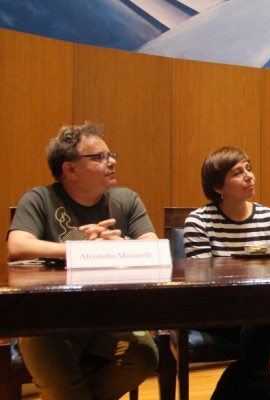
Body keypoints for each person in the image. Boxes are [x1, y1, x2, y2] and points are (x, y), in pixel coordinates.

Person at [6, 121, 159, 400]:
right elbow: (17, 246)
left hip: (107, 319)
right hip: (45, 322)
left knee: (144, 354)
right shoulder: (40, 198)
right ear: (70, 169)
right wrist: (78, 248)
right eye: (99, 157)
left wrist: (118, 245)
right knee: (61, 385)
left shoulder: (126, 199)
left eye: (112, 155)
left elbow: (150, 244)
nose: (111, 161)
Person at [184, 146, 270, 399]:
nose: (249, 175)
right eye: (238, 172)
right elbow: (202, 281)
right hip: (219, 311)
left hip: (264, 307)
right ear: (218, 187)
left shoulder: (267, 217)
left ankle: (258, 388)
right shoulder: (199, 221)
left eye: (249, 168)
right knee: (267, 328)